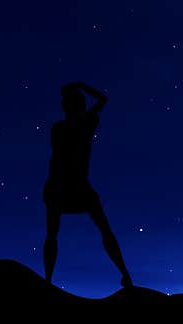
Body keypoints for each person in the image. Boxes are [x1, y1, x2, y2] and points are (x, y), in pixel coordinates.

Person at [43, 81, 133, 288]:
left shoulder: (68, 126)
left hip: (64, 184)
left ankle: (48, 280)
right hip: (69, 184)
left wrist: (80, 86)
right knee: (102, 229)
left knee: (54, 233)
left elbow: (55, 159)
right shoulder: (84, 123)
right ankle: (125, 274)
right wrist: (82, 86)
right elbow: (102, 99)